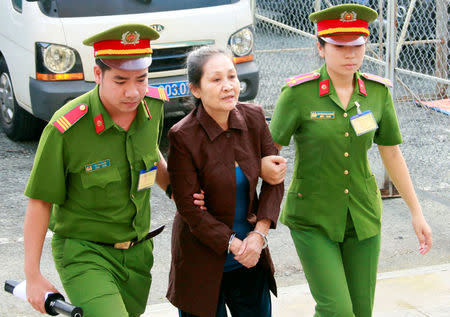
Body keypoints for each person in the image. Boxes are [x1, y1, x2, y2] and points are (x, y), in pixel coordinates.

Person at [23, 23, 206, 317]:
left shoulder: (153, 107)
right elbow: (40, 200)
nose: (133, 91)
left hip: (137, 255)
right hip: (85, 253)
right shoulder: (66, 129)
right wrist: (32, 276)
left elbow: (150, 154)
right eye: (120, 81)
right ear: (98, 75)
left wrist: (177, 192)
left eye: (141, 79)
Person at [269, 4, 433, 317]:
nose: (351, 55)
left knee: (360, 311)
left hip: (362, 215)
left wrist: (417, 213)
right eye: (340, 46)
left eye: (357, 45)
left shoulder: (377, 93)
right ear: (321, 47)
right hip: (312, 217)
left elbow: (391, 152)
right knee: (338, 311)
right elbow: (268, 150)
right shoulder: (298, 94)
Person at [165, 45, 284, 317]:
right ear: (196, 89)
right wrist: (233, 243)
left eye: (232, 76)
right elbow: (190, 208)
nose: (228, 86)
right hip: (201, 261)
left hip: (251, 257)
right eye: (216, 79)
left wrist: (258, 236)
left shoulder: (254, 117)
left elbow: (275, 180)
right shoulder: (183, 136)